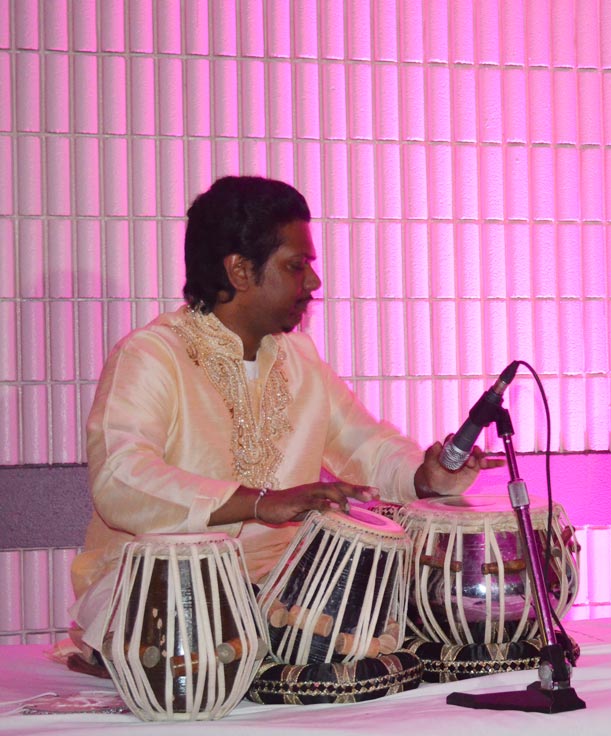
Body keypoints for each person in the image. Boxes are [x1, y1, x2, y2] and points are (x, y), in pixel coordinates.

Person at [67, 175, 495, 663]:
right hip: (163, 589)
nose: (312, 283)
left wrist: (424, 476)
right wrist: (259, 503)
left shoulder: (299, 359)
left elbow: (366, 446)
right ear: (240, 271)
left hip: (281, 587)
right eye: (296, 266)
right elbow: (121, 479)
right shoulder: (152, 356)